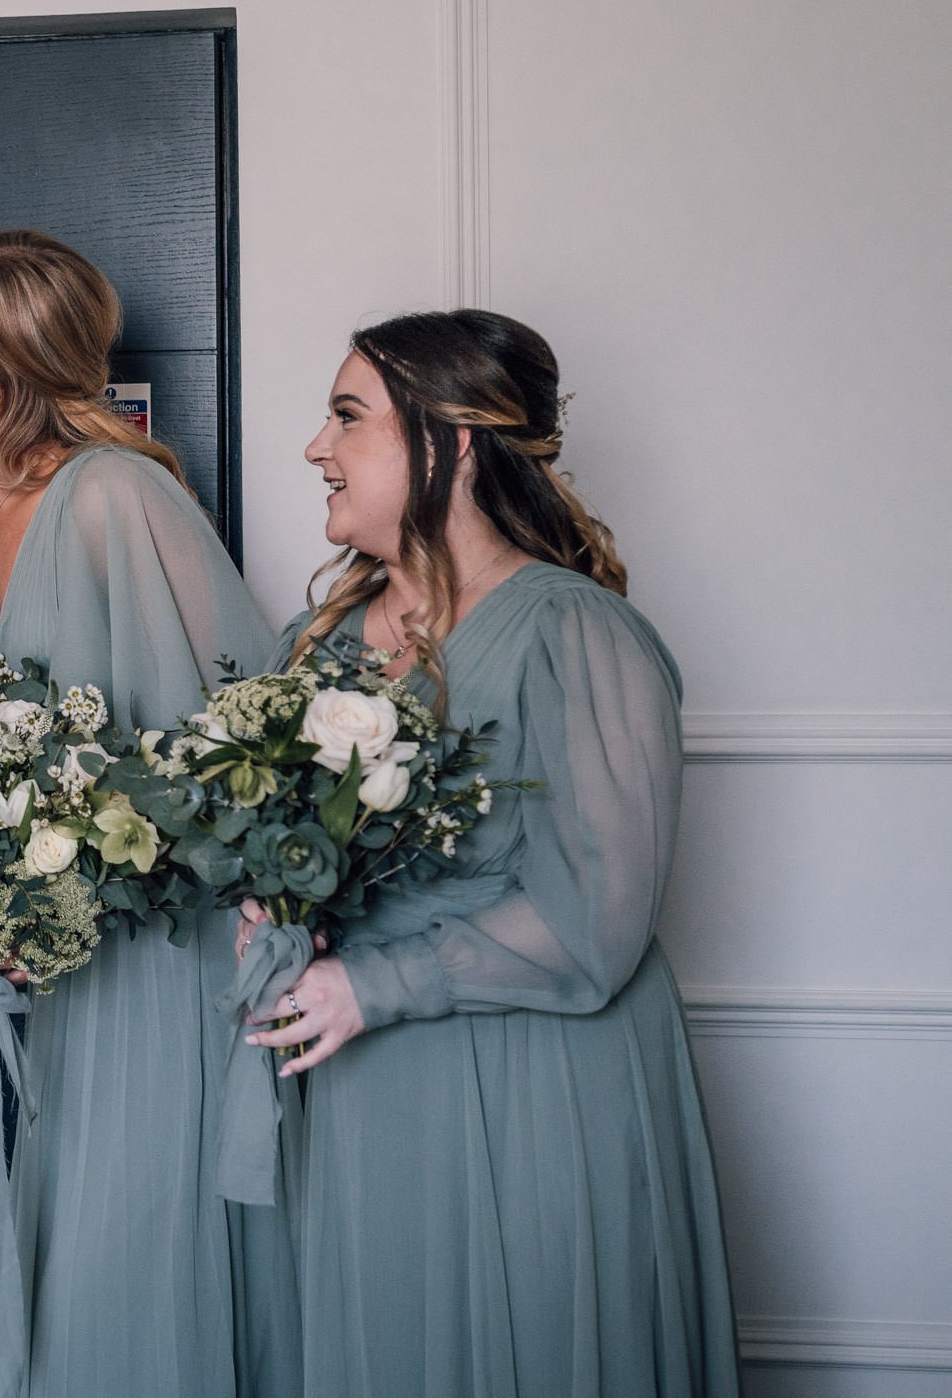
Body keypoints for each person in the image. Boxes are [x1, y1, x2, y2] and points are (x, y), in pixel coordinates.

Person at [240, 308, 738, 1397]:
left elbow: (595, 920)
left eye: (345, 416)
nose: (314, 448)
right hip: (364, 1089)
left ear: (447, 443)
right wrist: (265, 906)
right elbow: (277, 848)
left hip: (532, 1083)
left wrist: (375, 980)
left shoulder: (575, 633)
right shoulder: (309, 646)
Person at [0, 229, 298, 1397]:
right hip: (47, 981)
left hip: (156, 972)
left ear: (8, 362)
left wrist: (72, 873)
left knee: (130, 1265)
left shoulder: (115, 494)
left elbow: (245, 736)